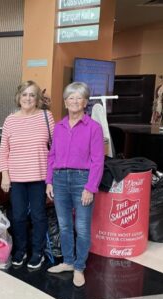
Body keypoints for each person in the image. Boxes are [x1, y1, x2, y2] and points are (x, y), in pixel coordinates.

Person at [46, 82, 104, 287]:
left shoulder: (94, 128)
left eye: (79, 97)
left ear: (85, 102)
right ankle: (68, 262)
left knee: (82, 227)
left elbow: (98, 160)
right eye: (71, 97)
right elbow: (51, 156)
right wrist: (49, 181)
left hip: (82, 179)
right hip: (60, 179)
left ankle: (79, 267)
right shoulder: (59, 127)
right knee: (64, 225)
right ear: (65, 102)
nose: (74, 101)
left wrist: (90, 187)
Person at [0, 80, 55, 268]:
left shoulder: (47, 117)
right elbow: (3, 150)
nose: (28, 98)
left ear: (38, 98)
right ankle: (21, 250)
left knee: (39, 216)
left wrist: (51, 180)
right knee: (18, 217)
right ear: (18, 97)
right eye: (24, 94)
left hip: (39, 177)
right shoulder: (10, 120)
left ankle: (37, 252)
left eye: (32, 94)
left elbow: (55, 149)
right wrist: (5, 176)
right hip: (16, 178)